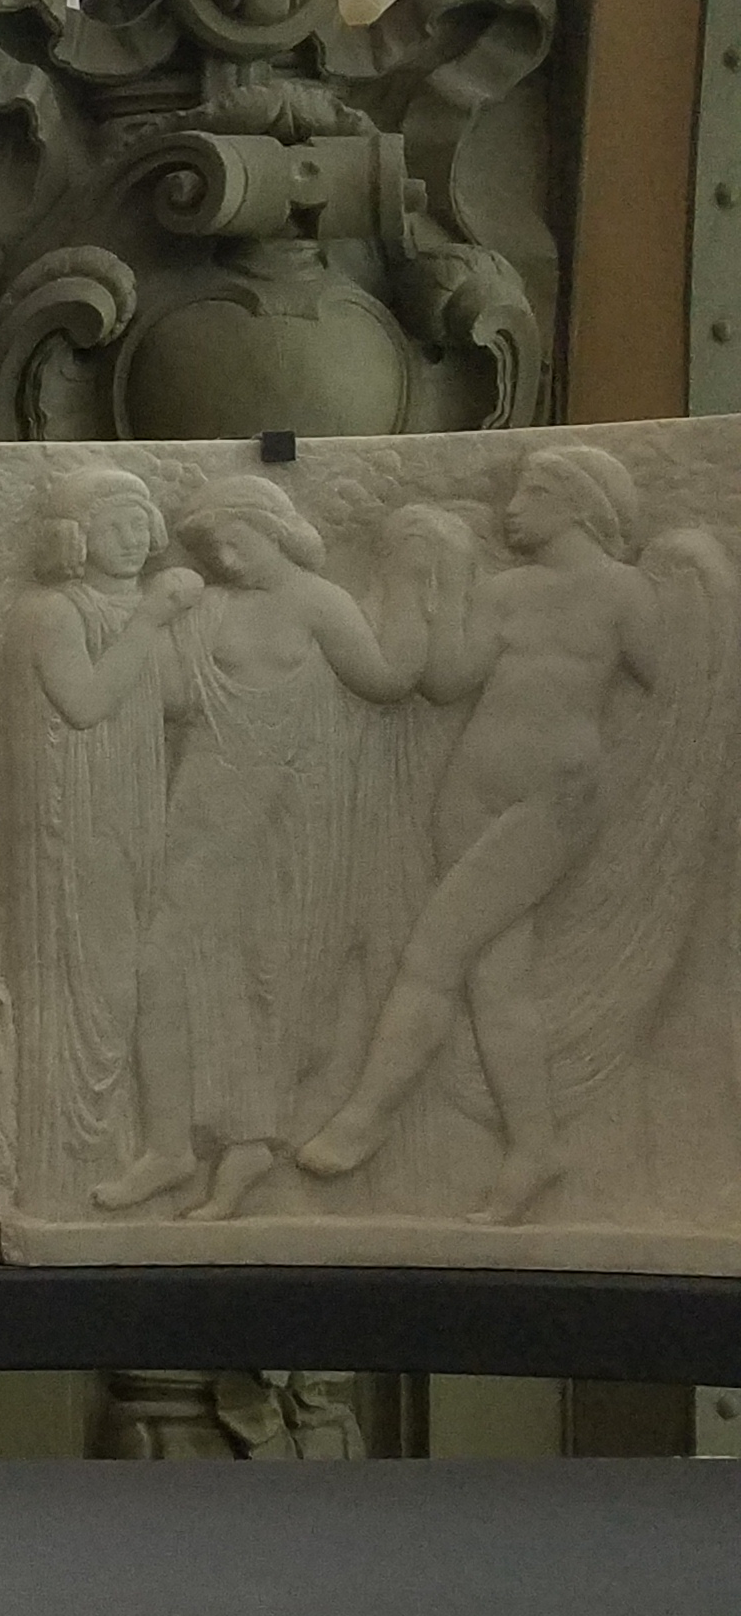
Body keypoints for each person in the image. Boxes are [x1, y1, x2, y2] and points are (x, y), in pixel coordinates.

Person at [297, 443, 731, 1221]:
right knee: (499, 987)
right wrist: (426, 590)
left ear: (579, 503)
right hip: (468, 797)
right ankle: (535, 1148)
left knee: (433, 954)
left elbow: (677, 691)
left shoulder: (623, 592)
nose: (513, 508)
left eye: (533, 492)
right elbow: (447, 682)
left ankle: (365, 1115)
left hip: (553, 802)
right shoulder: (505, 592)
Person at [92, 471, 421, 1224]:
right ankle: (174, 1145)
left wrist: (416, 589)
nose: (226, 560)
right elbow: (169, 696)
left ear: (273, 528)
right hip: (204, 810)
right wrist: (145, 616)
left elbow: (386, 680)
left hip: (286, 825)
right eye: (213, 550)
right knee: (170, 966)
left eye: (235, 542)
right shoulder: (211, 608)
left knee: (263, 979)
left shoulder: (320, 603)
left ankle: (242, 1149)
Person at [0, 467, 194, 1212]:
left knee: (145, 972)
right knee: (96, 982)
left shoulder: (136, 608)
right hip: (76, 818)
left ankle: (160, 1142)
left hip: (135, 809)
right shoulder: (49, 610)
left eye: (142, 522)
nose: (134, 537)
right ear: (77, 537)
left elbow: (174, 697)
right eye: (116, 524)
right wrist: (150, 619)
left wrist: (163, 623)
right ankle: (75, 1156)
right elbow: (83, 702)